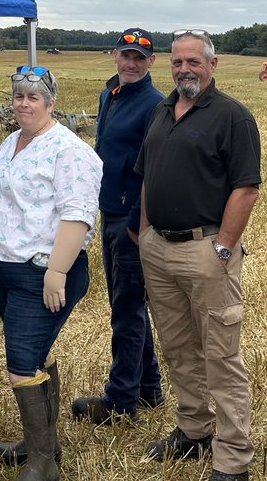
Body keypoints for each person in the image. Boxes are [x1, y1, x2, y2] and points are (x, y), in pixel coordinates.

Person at [137, 30, 261, 481]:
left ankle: (233, 460)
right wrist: (147, 231)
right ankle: (193, 432)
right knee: (178, 349)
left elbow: (246, 187)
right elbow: (148, 173)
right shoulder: (162, 110)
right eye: (177, 62)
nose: (184, 70)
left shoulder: (233, 117)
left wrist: (223, 245)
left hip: (206, 251)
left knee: (221, 357)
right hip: (159, 250)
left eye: (193, 62)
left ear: (212, 64)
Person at [0, 66, 102, 480]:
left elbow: (78, 216)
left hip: (43, 273)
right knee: (36, 356)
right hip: (8, 270)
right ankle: (41, 445)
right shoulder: (13, 140)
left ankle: (43, 465)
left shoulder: (69, 150)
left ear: (51, 102)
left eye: (33, 97)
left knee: (21, 362)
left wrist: (57, 271)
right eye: (18, 96)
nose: (24, 103)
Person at [70, 28, 166, 426]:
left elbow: (151, 171)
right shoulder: (109, 94)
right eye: (125, 55)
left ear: (151, 63)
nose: (130, 63)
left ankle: (120, 402)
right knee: (128, 305)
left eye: (139, 58)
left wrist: (134, 222)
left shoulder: (154, 105)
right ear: (114, 55)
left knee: (126, 310)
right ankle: (149, 388)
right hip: (108, 214)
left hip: (129, 223)